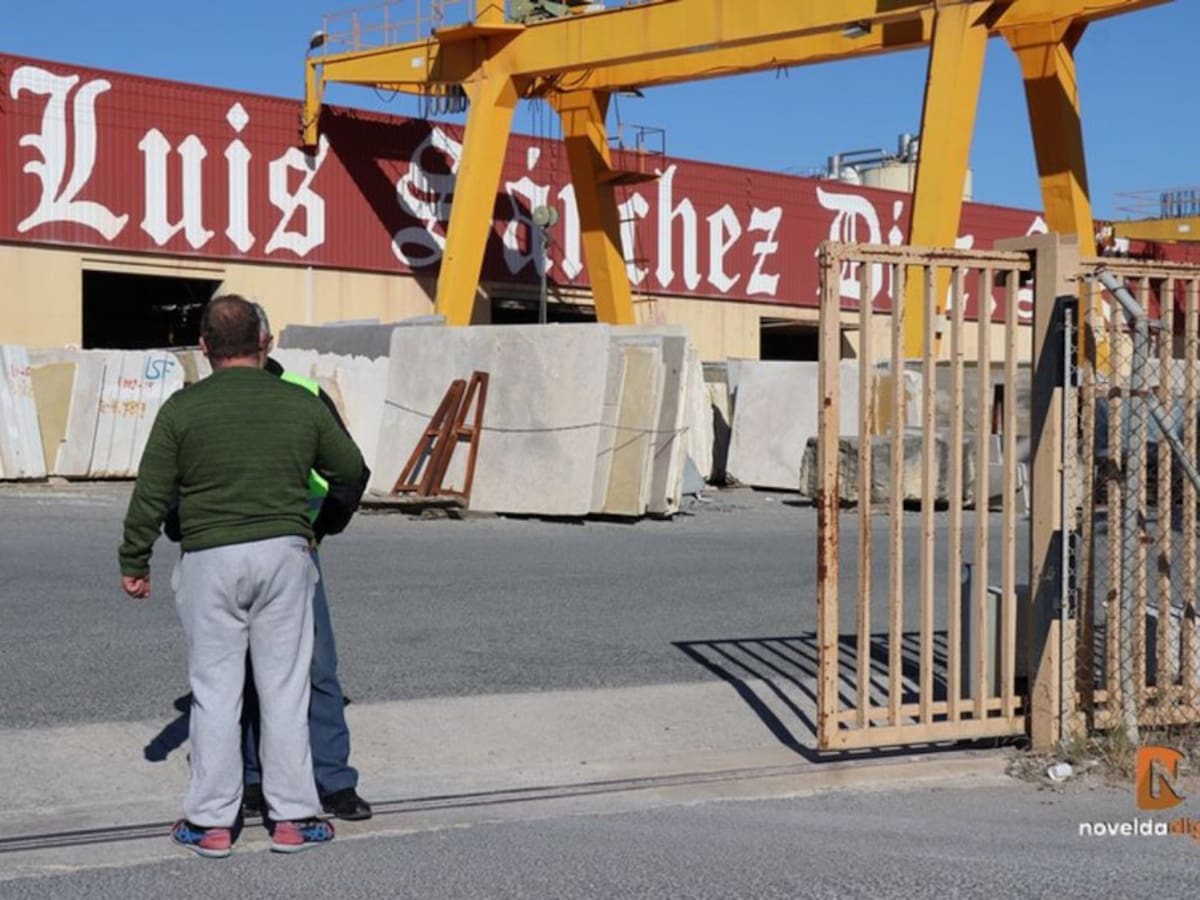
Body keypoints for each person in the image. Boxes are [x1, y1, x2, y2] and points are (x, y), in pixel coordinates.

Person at [119, 294, 366, 858]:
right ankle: (294, 820)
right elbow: (351, 471)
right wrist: (318, 527)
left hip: (210, 559)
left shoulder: (182, 409)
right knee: (286, 689)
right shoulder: (299, 401)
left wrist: (134, 560)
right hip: (284, 555)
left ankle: (211, 824)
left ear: (204, 346)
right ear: (263, 342)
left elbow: (151, 493)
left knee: (214, 692)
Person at [240, 303, 373, 822]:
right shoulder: (210, 396)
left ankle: (332, 779)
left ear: (268, 341)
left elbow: (351, 472)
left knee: (317, 667)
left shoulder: (303, 393)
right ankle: (253, 778)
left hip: (296, 548)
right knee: (246, 670)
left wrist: (322, 527)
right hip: (235, 551)